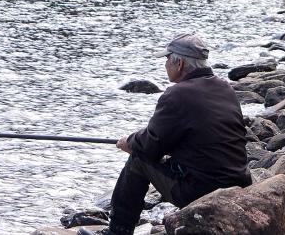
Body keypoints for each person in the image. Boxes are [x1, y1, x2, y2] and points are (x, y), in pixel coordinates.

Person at [78, 33, 252, 235]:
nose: (165, 64)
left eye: (167, 59)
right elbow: (181, 135)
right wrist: (141, 141)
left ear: (179, 64)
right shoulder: (224, 87)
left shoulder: (177, 94)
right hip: (238, 181)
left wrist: (130, 143)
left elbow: (151, 145)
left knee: (138, 159)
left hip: (203, 189)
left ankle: (118, 231)